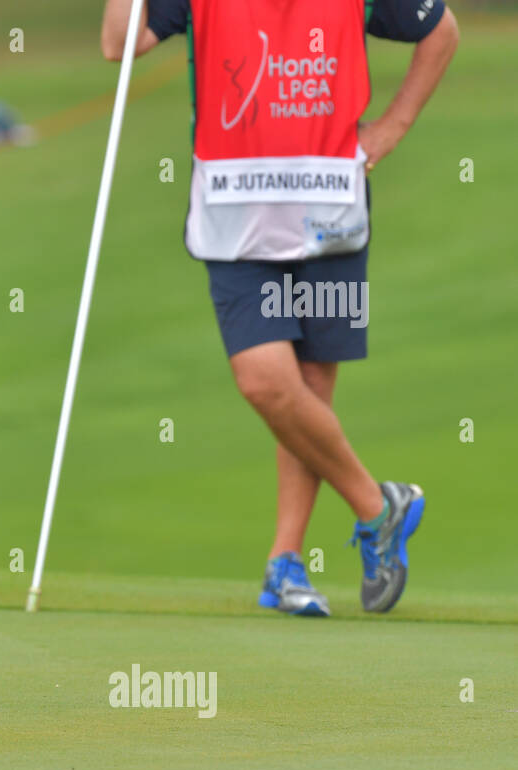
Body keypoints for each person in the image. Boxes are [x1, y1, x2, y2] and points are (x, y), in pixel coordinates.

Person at [101, 0, 458, 615]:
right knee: (267, 384)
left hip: (330, 215)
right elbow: (121, 42)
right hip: (236, 217)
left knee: (310, 389)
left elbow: (441, 32)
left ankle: (285, 564)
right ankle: (379, 507)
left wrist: (390, 130)